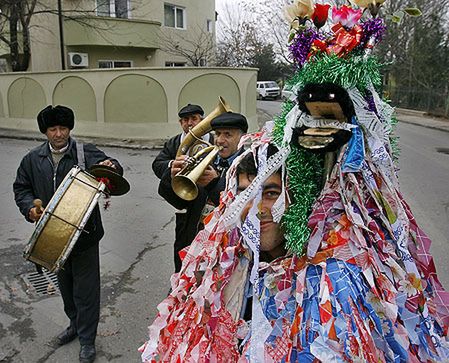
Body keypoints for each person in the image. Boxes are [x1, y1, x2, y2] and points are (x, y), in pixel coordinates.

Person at [140, 0, 449, 359]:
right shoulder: (228, 265)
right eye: (245, 195)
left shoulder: (328, 285)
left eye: (271, 193)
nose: (257, 208)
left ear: (300, 198)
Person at [13, 105, 123, 363]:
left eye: (63, 128)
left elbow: (113, 168)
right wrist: (29, 208)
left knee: (86, 291)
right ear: (45, 131)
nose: (59, 133)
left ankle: (87, 340)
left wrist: (112, 166)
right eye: (53, 129)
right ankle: (74, 324)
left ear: (70, 129)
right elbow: (21, 188)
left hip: (85, 236)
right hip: (52, 237)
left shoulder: (85, 153)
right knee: (66, 287)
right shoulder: (32, 159)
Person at [158, 111, 248, 272]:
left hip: (227, 250)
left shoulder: (250, 166)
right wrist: (170, 177)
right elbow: (179, 201)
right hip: (194, 242)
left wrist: (214, 184)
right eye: (218, 134)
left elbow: (242, 208)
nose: (220, 140)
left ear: (242, 138)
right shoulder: (205, 159)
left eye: (228, 134)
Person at [152, 104, 209, 179]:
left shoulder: (214, 140)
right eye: (185, 120)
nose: (189, 123)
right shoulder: (173, 142)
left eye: (194, 118)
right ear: (181, 123)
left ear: (202, 121)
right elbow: (157, 165)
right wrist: (173, 164)